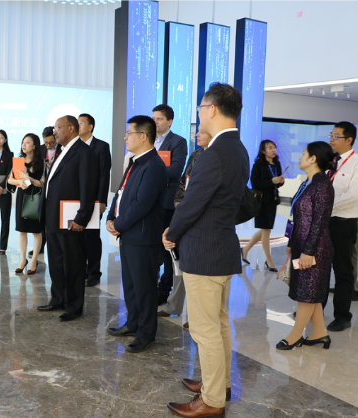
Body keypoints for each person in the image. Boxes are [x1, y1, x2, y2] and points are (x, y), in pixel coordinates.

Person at [163, 83, 249, 417]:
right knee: (220, 324)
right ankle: (219, 383)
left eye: (200, 107)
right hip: (221, 248)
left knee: (205, 330)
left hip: (204, 252)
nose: (199, 113)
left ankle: (212, 400)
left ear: (211, 109)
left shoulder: (215, 153)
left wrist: (171, 232)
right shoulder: (237, 148)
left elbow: (191, 204)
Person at [105, 115, 167, 353]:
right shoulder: (134, 161)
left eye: (129, 133)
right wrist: (110, 217)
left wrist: (118, 224)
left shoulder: (154, 166)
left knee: (144, 288)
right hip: (128, 234)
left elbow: (142, 204)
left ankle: (146, 333)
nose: (125, 138)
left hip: (142, 237)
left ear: (143, 136)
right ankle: (133, 323)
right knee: (130, 285)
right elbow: (120, 193)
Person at [36, 116, 98, 321]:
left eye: (58, 128)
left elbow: (88, 188)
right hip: (54, 217)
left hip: (71, 219)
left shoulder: (84, 152)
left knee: (73, 264)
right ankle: (58, 299)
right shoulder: (61, 151)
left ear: (71, 128)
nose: (54, 132)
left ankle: (74, 306)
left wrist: (81, 218)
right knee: (56, 262)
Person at [279, 142, 335, 350]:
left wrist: (308, 252)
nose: (300, 157)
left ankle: (295, 336)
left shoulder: (322, 185)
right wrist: (291, 242)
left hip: (315, 249)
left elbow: (319, 222)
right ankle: (320, 333)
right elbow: (297, 216)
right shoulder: (308, 182)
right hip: (302, 245)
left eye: (304, 154)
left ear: (313, 159)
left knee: (306, 293)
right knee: (310, 291)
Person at [158, 126, 212, 322]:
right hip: (184, 213)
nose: (197, 135)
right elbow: (183, 181)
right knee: (179, 262)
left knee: (198, 270)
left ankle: (195, 317)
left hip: (202, 219)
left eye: (202, 132)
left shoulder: (215, 156)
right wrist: (179, 203)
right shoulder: (196, 155)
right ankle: (174, 305)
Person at [152, 104, 188, 306]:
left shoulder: (178, 142)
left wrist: (149, 170)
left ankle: (164, 290)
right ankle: (151, 286)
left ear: (169, 121)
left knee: (166, 250)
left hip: (166, 203)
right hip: (149, 202)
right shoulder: (148, 140)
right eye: (153, 118)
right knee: (152, 248)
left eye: (159, 119)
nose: (155, 122)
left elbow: (175, 170)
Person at [326, 121, 358, 332]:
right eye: (331, 134)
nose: (331, 139)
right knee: (319, 268)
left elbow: (353, 195)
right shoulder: (328, 161)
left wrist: (325, 206)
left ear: (349, 140)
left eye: (336, 136)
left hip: (344, 224)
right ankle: (313, 308)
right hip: (323, 222)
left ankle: (342, 316)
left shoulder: (355, 163)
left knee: (343, 271)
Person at [78, 113, 112, 287]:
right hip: (75, 200)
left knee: (91, 237)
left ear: (90, 126)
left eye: (81, 123)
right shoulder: (74, 146)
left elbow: (104, 175)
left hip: (93, 201)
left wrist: (101, 200)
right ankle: (81, 271)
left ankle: (94, 273)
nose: (78, 126)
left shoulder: (101, 146)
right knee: (77, 237)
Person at [241, 140, 285, 272]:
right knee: (266, 230)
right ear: (263, 151)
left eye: (274, 147)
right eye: (270, 147)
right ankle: (269, 260)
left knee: (266, 229)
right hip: (261, 201)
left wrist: (280, 181)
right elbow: (255, 184)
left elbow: (277, 183)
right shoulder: (258, 165)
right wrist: (271, 181)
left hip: (273, 200)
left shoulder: (276, 163)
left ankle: (245, 249)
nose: (273, 150)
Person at [8, 134, 45, 274]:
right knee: (22, 230)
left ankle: (34, 260)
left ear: (34, 145)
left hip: (35, 198)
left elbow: (42, 184)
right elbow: (10, 180)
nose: (24, 145)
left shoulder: (41, 162)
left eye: (27, 142)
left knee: (36, 231)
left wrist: (29, 178)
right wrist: (20, 181)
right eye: (23, 142)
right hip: (22, 197)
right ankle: (23, 260)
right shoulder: (19, 161)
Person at [29, 126, 62, 257]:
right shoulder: (40, 149)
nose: (49, 145)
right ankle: (40, 247)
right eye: (46, 142)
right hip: (42, 188)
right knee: (41, 217)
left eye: (51, 142)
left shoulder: (62, 148)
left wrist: (52, 166)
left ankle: (57, 247)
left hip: (58, 188)